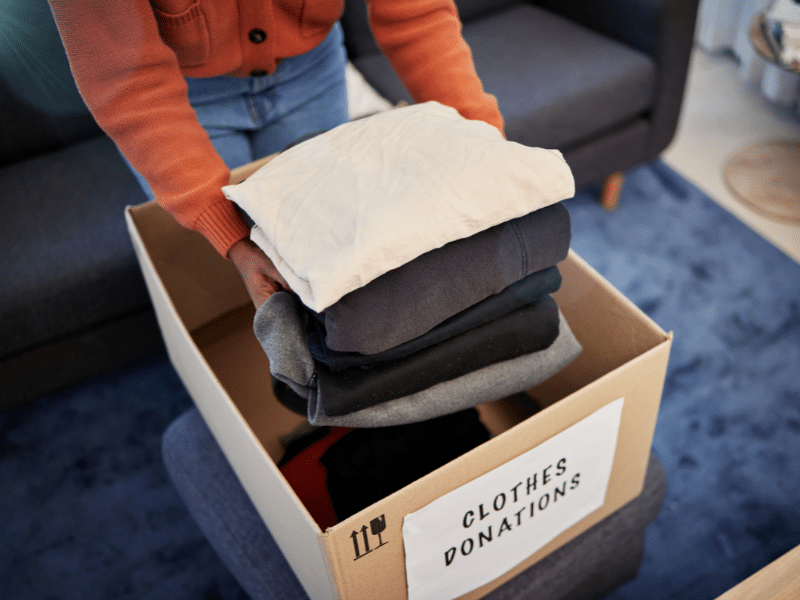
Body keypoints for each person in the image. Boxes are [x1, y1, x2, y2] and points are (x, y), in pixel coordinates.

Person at [47, 0, 505, 310]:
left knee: (331, 250)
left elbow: (416, 13)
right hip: (180, 96)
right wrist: (231, 236)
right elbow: (127, 81)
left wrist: (480, 137)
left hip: (313, 67)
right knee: (247, 281)